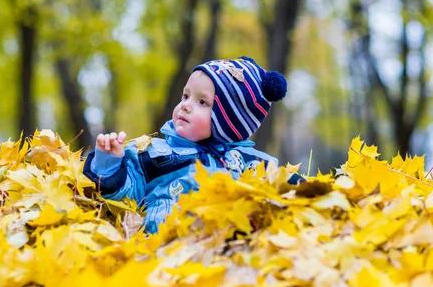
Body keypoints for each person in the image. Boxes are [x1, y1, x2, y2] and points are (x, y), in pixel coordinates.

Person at [83, 56, 303, 234]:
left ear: (229, 121)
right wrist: (109, 162)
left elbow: (283, 185)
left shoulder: (250, 163)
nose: (185, 105)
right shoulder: (156, 155)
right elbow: (129, 191)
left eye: (202, 102)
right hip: (166, 245)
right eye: (185, 96)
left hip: (226, 245)